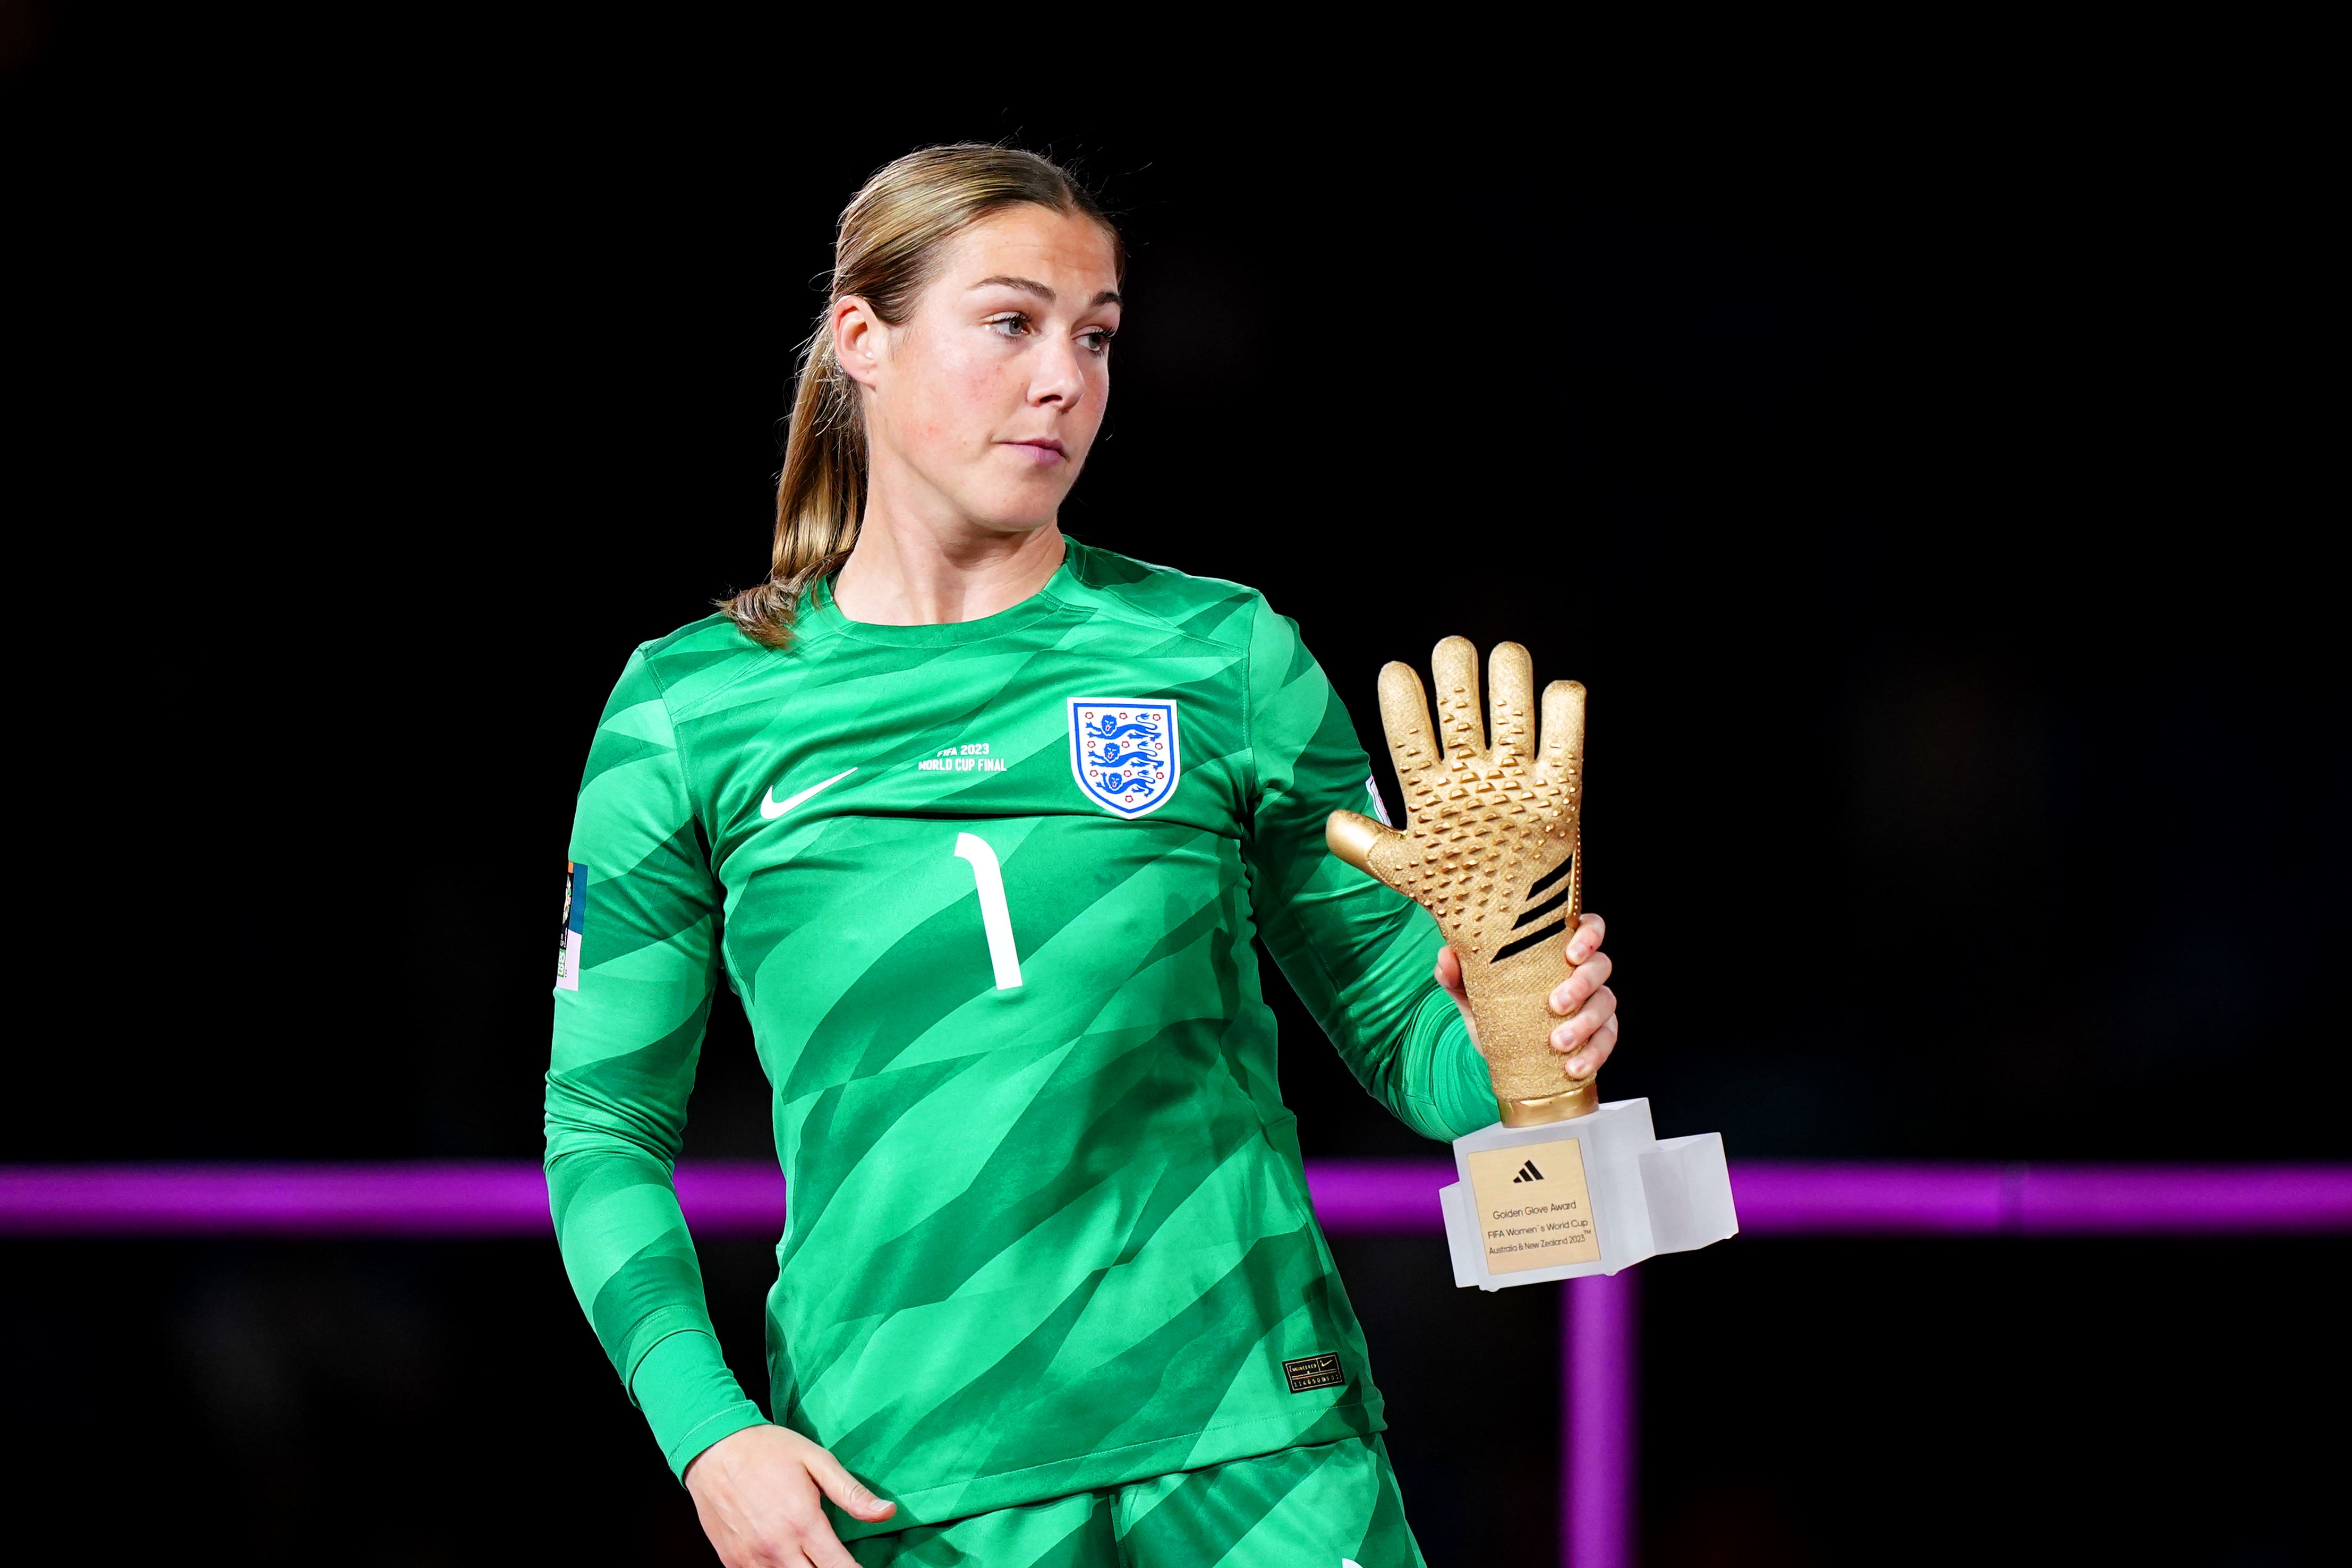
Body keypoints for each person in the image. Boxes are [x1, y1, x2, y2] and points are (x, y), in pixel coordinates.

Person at [546, 143, 1621, 1568]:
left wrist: (1516, 1042)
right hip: (906, 1476)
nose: (1066, 376)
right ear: (862, 340)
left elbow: (1402, 1044)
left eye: (1096, 333)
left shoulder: (1219, 654)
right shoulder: (691, 706)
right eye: (1011, 322)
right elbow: (601, 1137)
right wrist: (709, 1435)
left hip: (1260, 1445)